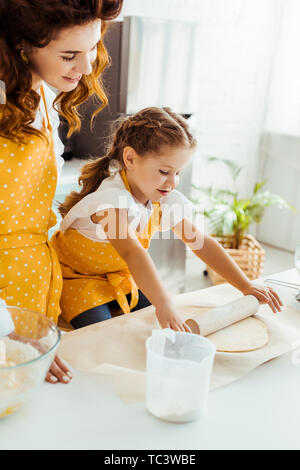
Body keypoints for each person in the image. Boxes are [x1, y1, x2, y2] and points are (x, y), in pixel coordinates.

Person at [51, 107, 282, 331]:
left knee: (152, 326)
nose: (172, 183)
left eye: (178, 173)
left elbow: (200, 243)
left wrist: (245, 284)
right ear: (130, 158)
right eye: (164, 172)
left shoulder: (164, 200)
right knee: (106, 333)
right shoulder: (111, 203)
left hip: (120, 277)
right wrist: (164, 303)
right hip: (78, 280)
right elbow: (133, 252)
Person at [0, 0, 123, 383]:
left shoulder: (41, 100)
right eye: (69, 55)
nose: (87, 68)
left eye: (92, 49)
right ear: (22, 45)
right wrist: (6, 330)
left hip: (35, 294)